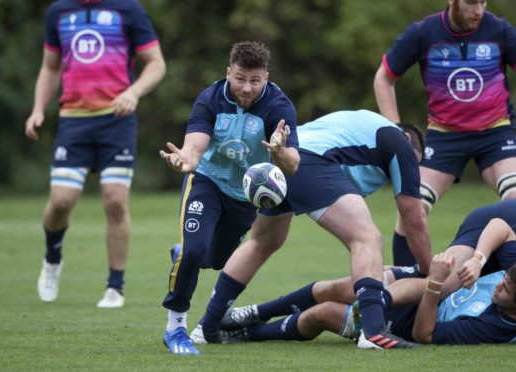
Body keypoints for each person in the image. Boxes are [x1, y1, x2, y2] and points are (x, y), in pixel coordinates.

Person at [189, 109, 432, 349]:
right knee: (367, 238)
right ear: (408, 139)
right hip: (310, 162)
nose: (411, 170)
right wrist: (426, 269)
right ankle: (372, 331)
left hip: (281, 160)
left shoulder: (366, 126)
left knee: (261, 243)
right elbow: (414, 217)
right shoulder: (398, 141)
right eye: (414, 162)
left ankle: (206, 327)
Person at [373, 0, 516, 266]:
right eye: (471, 2)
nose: (478, 10)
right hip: (444, 136)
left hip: (497, 133)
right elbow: (384, 77)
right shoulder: (423, 33)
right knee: (412, 209)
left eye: (483, 2)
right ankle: (407, 289)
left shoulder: (499, 30)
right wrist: (396, 130)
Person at [158, 41, 300, 355]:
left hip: (243, 197)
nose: (247, 88)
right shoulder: (210, 98)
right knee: (194, 253)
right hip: (206, 181)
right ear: (228, 73)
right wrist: (186, 161)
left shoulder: (279, 106)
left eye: (255, 80)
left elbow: (293, 164)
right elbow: (194, 150)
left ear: (266, 77)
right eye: (239, 79)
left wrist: (279, 152)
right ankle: (176, 328)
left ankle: (185, 254)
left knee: (215, 260)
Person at [26, 0, 166, 308]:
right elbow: (50, 67)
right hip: (73, 122)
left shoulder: (128, 9)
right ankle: (52, 259)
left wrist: (133, 92)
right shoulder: (58, 12)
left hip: (116, 121)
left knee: (115, 200)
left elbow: (156, 63)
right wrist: (38, 110)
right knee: (61, 201)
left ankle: (115, 286)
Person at [216, 256, 516, 346]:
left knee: (322, 313)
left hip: (406, 324)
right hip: (413, 294)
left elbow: (425, 334)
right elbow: (498, 224)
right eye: (503, 281)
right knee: (333, 287)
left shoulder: (491, 327)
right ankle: (253, 313)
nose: (498, 288)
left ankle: (247, 333)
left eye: (505, 291)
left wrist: (435, 283)